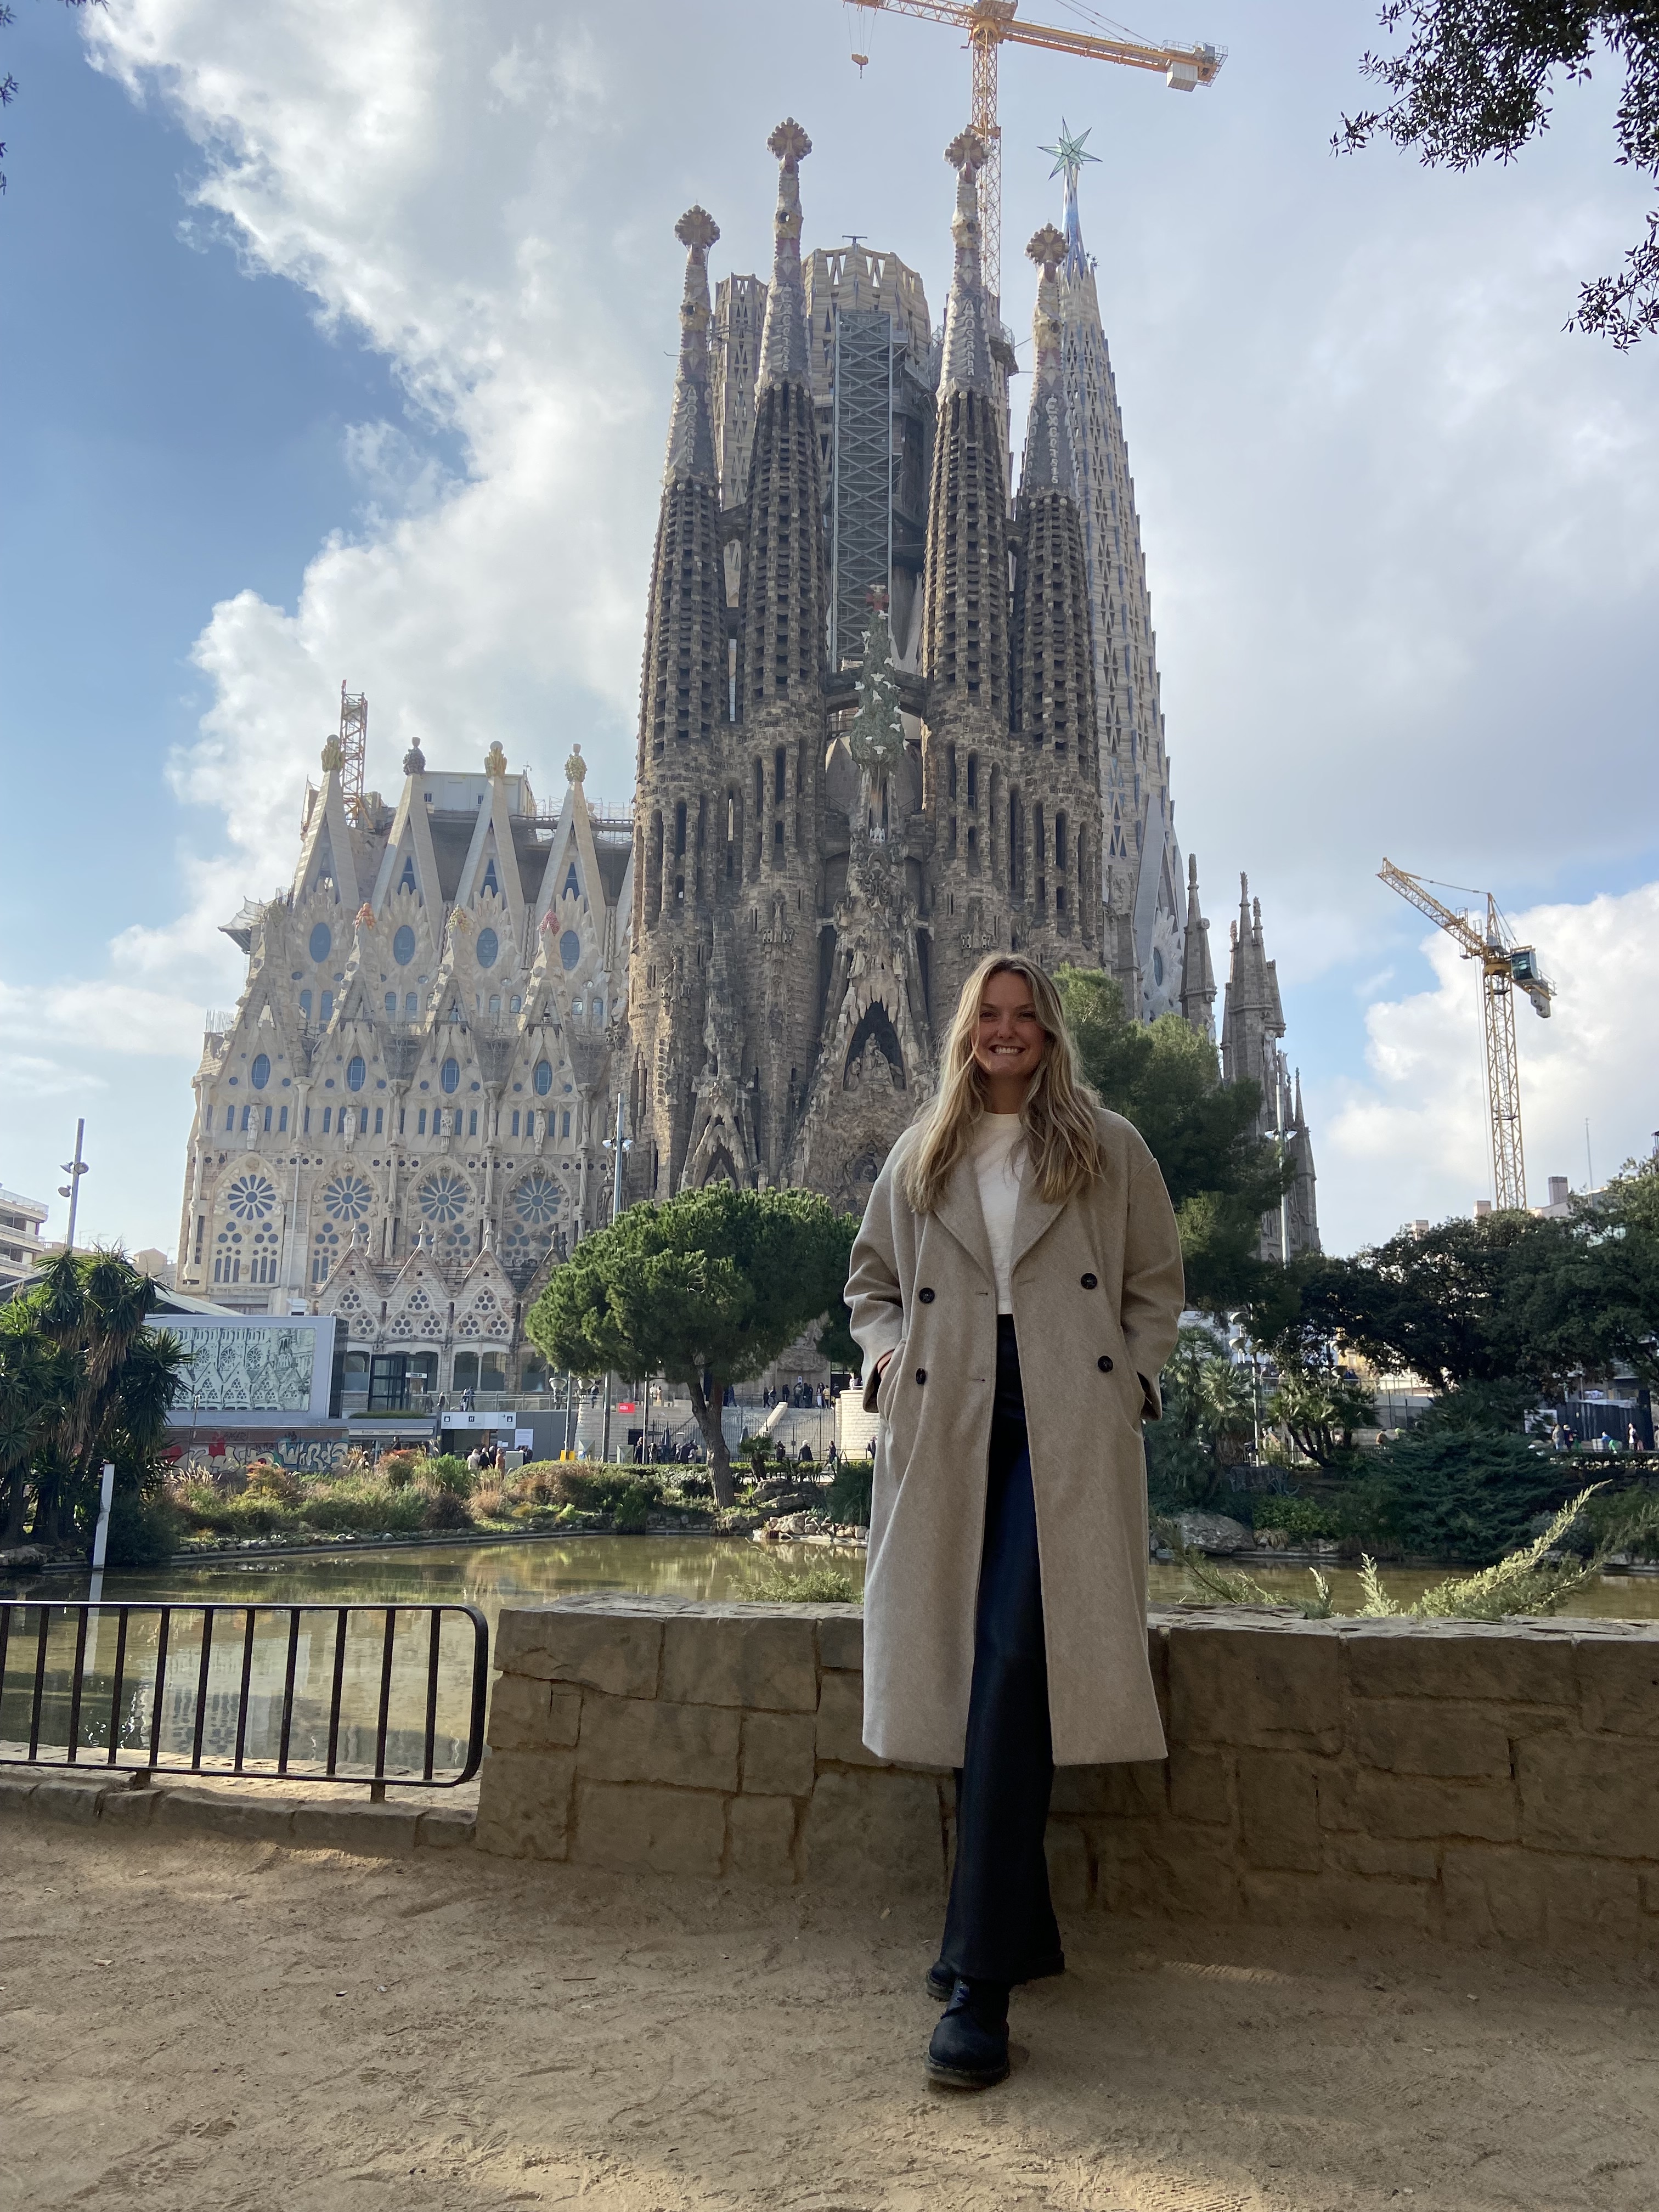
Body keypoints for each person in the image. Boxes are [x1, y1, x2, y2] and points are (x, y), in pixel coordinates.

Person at [846, 953, 1183, 2091]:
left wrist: (1133, 1382)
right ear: (965, 1030)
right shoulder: (922, 1149)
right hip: (948, 1411)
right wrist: (886, 1359)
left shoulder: (1106, 1143)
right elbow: (871, 1282)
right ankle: (1013, 1935)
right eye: (989, 1016)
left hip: (1064, 1413)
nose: (1006, 1032)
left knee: (1009, 1654)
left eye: (1024, 1017)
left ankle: (977, 1981)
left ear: (1049, 1033)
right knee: (983, 1664)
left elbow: (1154, 1282)